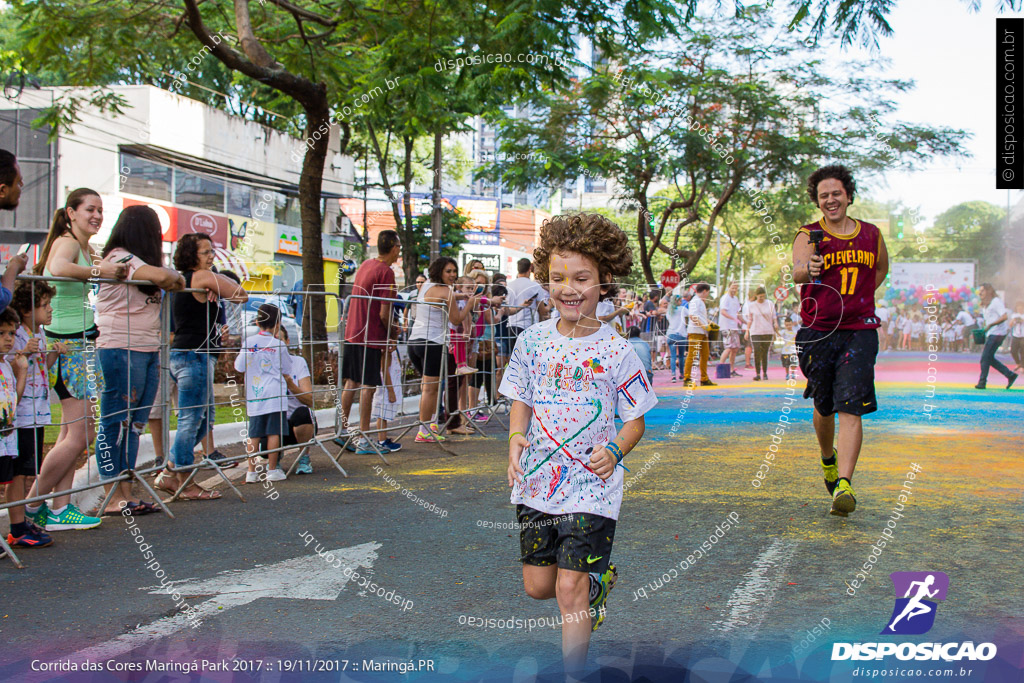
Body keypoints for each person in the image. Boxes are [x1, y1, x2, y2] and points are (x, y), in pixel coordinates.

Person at [500, 213, 657, 673]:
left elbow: (635, 421)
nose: (569, 288)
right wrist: (514, 438)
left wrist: (616, 450)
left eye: (581, 277)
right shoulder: (531, 342)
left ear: (603, 281)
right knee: (538, 587)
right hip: (537, 482)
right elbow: (521, 400)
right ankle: (597, 586)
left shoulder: (617, 352)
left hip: (591, 487)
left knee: (567, 590)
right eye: (557, 278)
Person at [27, 188, 126, 532]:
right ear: (71, 212)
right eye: (90, 210)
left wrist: (106, 267)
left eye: (101, 210)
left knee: (74, 432)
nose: (97, 216)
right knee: (81, 433)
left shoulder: (84, 246)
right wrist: (102, 272)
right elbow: (56, 267)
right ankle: (33, 503)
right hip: (68, 346)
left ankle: (59, 508)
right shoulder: (67, 243)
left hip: (79, 342)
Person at [793, 164, 888, 517]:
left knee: (852, 404)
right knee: (825, 405)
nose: (831, 200)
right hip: (819, 331)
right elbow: (798, 269)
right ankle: (827, 458)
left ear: (848, 194)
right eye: (823, 196)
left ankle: (844, 484)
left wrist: (860, 299)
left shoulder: (872, 234)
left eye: (836, 193)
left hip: (860, 330)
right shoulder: (808, 233)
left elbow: (879, 270)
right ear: (817, 202)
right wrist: (810, 270)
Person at [94, 205, 185, 514]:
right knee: (114, 422)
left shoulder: (137, 262)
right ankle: (112, 494)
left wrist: (171, 278)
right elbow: (164, 277)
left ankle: (126, 491)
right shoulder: (121, 257)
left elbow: (168, 279)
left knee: (134, 425)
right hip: (120, 348)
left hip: (146, 349)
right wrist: (171, 277)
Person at [156, 234, 247, 501]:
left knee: (203, 420)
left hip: (191, 356)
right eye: (206, 252)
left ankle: (171, 470)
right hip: (193, 356)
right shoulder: (201, 277)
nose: (211, 257)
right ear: (191, 256)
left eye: (211, 252)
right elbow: (241, 294)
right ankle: (184, 480)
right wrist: (216, 283)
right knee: (190, 421)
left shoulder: (187, 279)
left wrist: (216, 285)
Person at [339, 230, 401, 454]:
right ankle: (364, 438)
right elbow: (385, 313)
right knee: (368, 385)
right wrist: (392, 333)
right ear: (394, 248)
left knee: (352, 382)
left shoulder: (366, 264)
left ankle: (343, 430)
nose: (399, 253)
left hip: (353, 331)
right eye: (398, 248)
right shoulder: (386, 272)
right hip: (370, 335)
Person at [407, 257, 480, 442]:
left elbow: (436, 297)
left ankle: (429, 424)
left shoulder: (426, 286)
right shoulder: (446, 291)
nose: (453, 275)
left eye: (454, 271)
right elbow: (456, 319)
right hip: (432, 343)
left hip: (415, 341)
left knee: (428, 388)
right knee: (431, 390)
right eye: (448, 271)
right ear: (439, 271)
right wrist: (469, 305)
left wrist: (460, 296)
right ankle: (424, 431)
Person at [3, 296, 49, 549]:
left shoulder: (35, 339)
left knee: (21, 473)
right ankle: (17, 526)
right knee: (14, 476)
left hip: (32, 414)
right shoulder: (17, 349)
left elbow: (21, 385)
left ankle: (19, 526)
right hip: (17, 421)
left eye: (11, 333)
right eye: (3, 333)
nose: (9, 338)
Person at [235, 303, 293, 482]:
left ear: (257, 322)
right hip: (275, 394)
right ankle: (272, 469)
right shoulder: (278, 344)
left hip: (255, 394)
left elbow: (239, 366)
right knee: (273, 433)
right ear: (278, 324)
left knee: (254, 434)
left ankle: (251, 472)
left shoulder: (249, 342)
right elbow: (288, 368)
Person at [974, 283, 1017, 390]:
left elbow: (1004, 316)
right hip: (992, 332)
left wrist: (990, 325)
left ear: (989, 291)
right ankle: (1010, 375)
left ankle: (982, 382)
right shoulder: (986, 304)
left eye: (982, 290)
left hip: (998, 333)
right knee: (989, 358)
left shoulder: (996, 302)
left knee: (985, 358)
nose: (980, 293)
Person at [371, 323, 403, 452]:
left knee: (385, 415)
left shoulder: (391, 348)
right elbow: (385, 371)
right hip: (386, 387)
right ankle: (382, 440)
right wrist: (390, 391)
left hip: (390, 386)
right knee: (382, 415)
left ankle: (383, 438)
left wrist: (395, 335)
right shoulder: (386, 352)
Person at [682, 284, 715, 387]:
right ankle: (687, 378)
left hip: (702, 332)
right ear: (705, 291)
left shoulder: (700, 302)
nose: (707, 295)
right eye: (708, 293)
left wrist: (709, 324)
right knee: (692, 355)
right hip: (695, 331)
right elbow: (692, 316)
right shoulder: (695, 301)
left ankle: (704, 378)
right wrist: (704, 326)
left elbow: (701, 317)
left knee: (705, 355)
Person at [505, 258, 548, 338]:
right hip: (528, 327)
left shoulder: (509, 285)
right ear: (530, 269)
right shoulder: (535, 286)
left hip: (510, 326)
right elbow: (542, 310)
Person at [747, 286, 778, 381]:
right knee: (757, 351)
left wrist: (776, 324)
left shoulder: (770, 304)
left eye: (763, 296)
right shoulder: (751, 305)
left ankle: (764, 373)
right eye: (760, 296)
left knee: (765, 352)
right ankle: (757, 373)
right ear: (756, 296)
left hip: (767, 331)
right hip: (755, 331)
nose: (762, 298)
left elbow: (774, 317)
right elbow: (750, 319)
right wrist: (747, 331)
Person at [718, 282, 744, 376]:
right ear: (729, 287)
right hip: (726, 326)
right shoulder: (725, 298)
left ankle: (732, 370)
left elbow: (738, 313)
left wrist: (744, 321)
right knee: (728, 348)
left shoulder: (736, 299)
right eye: (732, 288)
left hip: (734, 327)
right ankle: (720, 369)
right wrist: (733, 318)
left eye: (736, 288)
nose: (734, 290)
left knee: (735, 348)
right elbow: (723, 311)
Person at [665, 292, 688, 382]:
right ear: (678, 301)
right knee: (681, 356)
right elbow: (690, 315)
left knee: (673, 356)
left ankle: (673, 375)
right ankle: (681, 374)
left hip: (671, 334)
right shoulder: (682, 309)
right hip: (681, 334)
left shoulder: (669, 311)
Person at [1010, 301, 1024, 374]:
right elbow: (1010, 325)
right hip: (1016, 335)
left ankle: (1022, 366)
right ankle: (1018, 363)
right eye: (1018, 308)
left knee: (1022, 351)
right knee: (1013, 351)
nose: (1020, 309)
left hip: (1023, 336)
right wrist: (1014, 320)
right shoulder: (1014, 315)